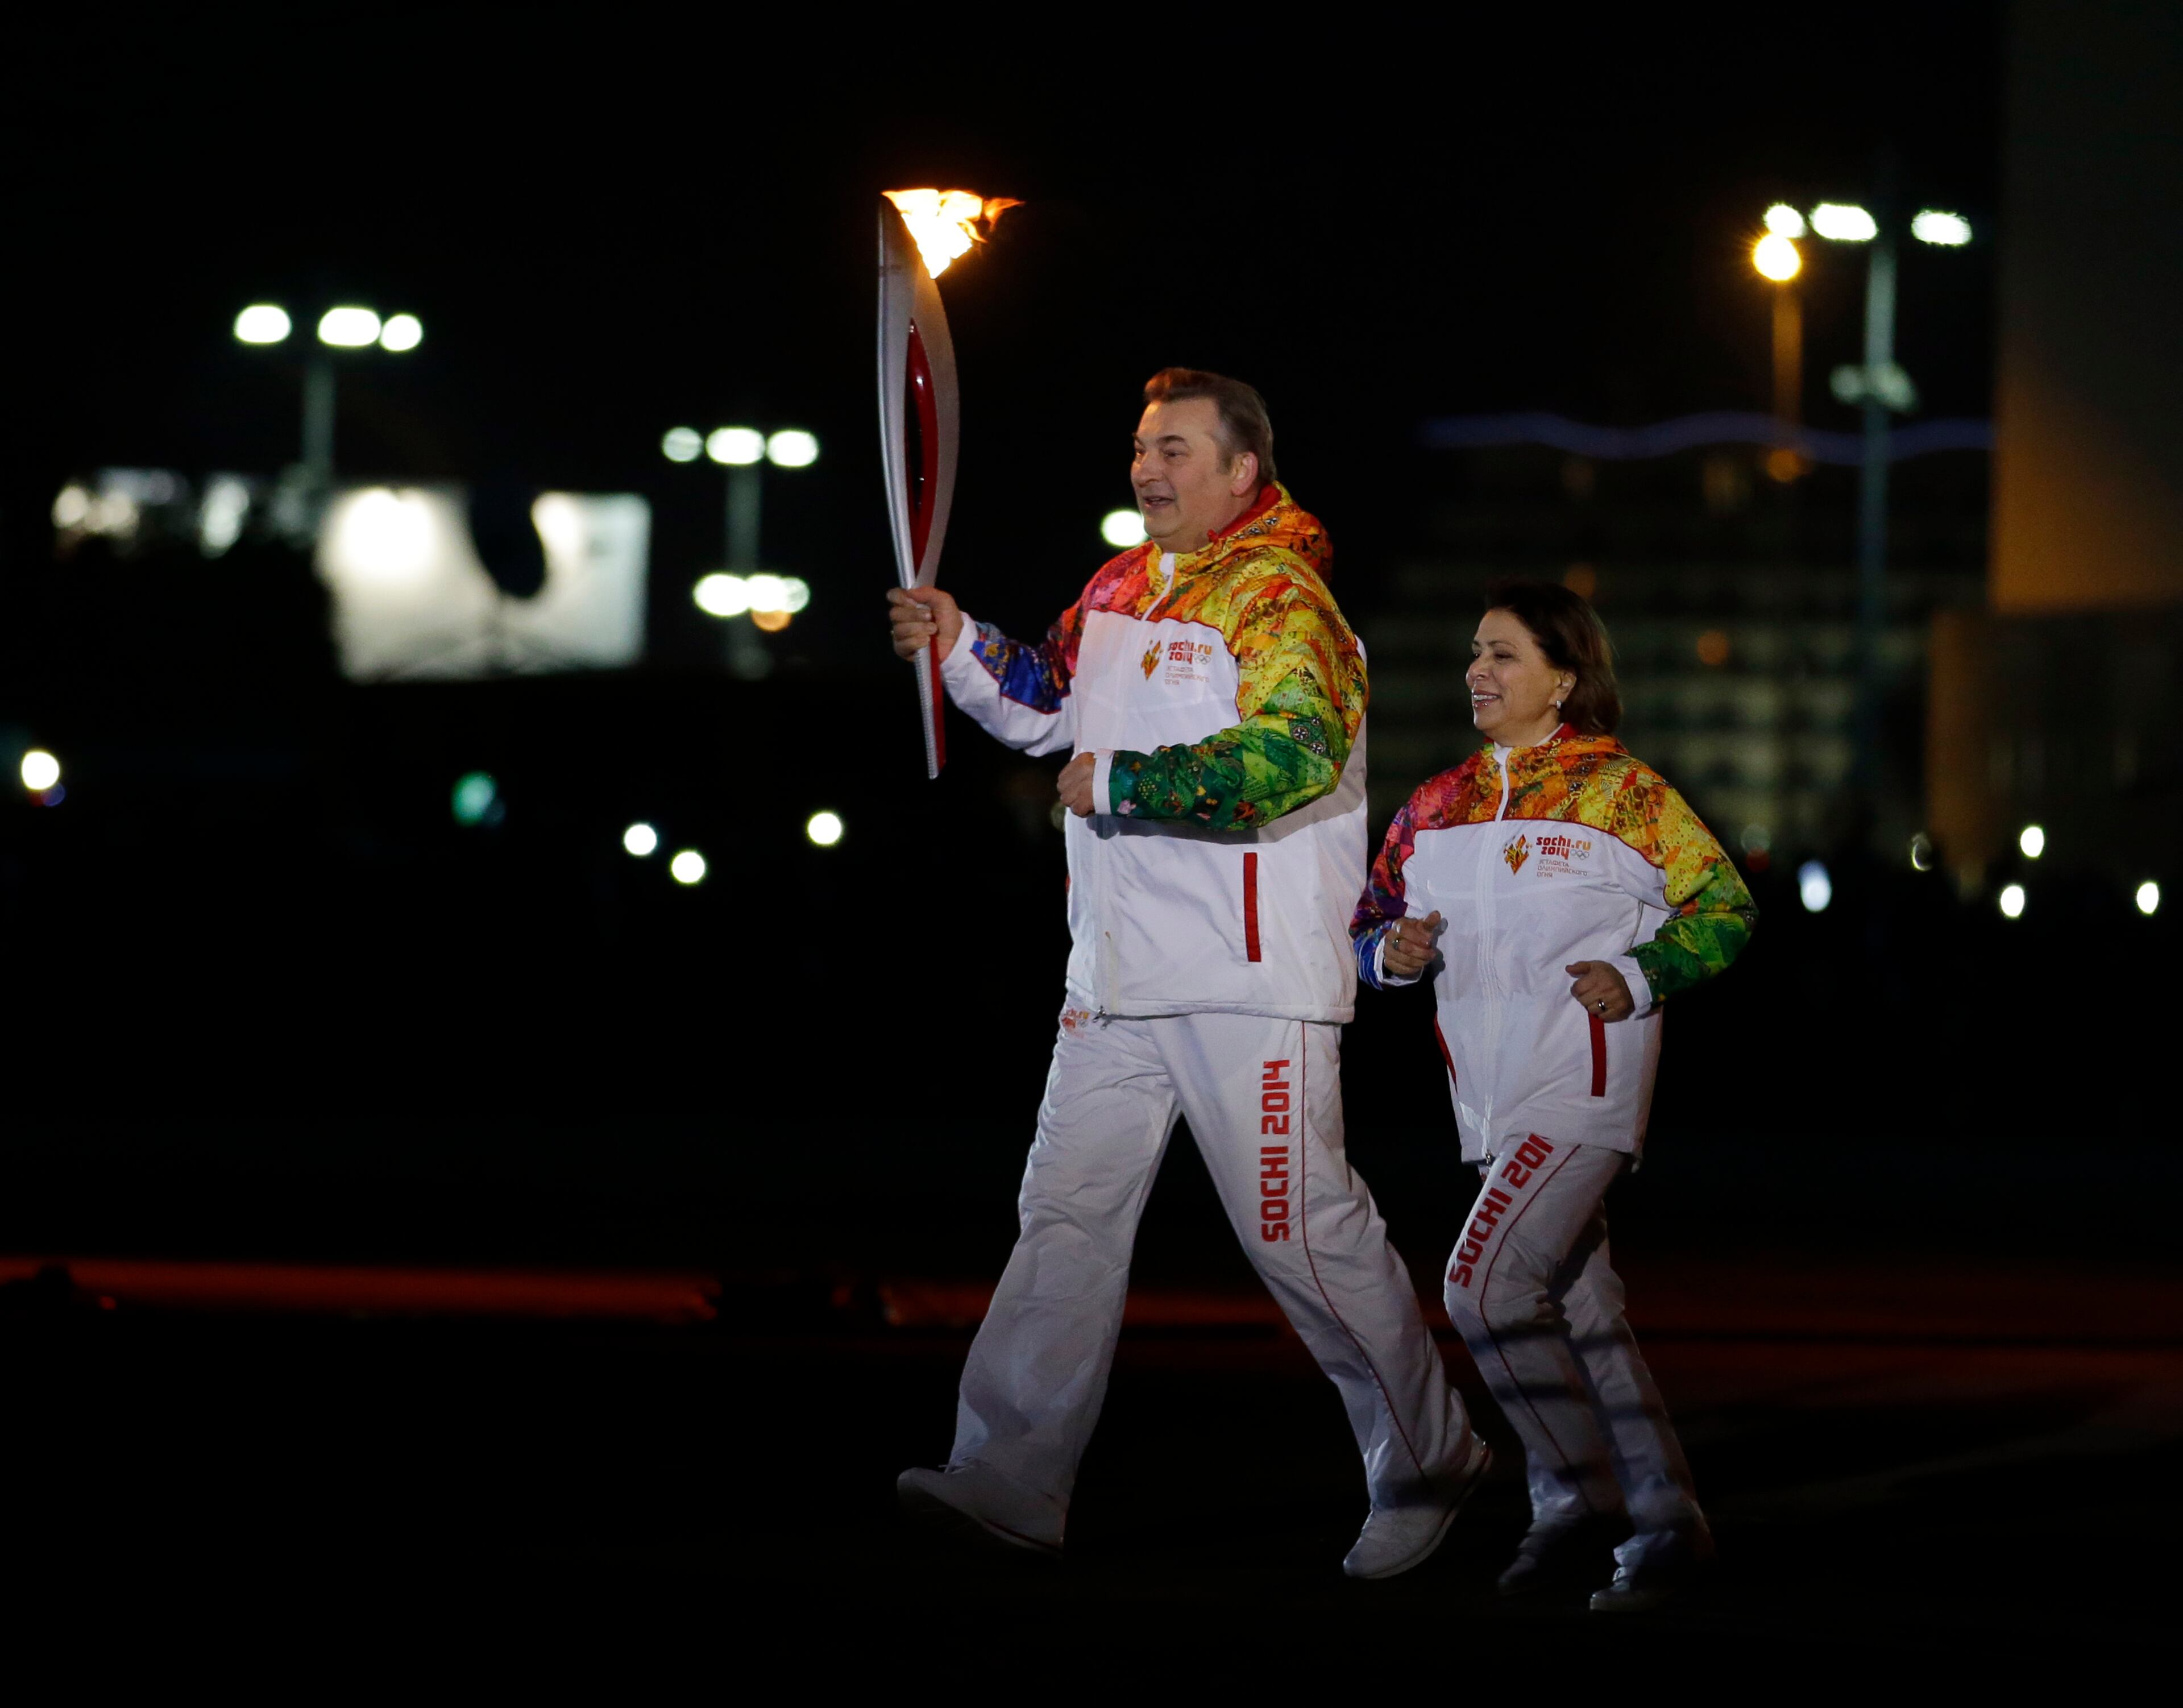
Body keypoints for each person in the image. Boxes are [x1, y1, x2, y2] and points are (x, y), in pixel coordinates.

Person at [886, 368, 1487, 1578]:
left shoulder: (1285, 600)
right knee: (1064, 1221)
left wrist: (1124, 780)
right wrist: (957, 640)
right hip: (1114, 974)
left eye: (1173, 448)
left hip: (1248, 979)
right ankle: (1008, 1473)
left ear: (1240, 470)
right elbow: (1046, 700)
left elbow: (1293, 753)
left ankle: (1429, 1456)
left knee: (1300, 1236)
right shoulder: (1118, 587)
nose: (1146, 467)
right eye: (1139, 446)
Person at [1349, 578, 1756, 1613]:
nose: (1478, 671)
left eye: (1505, 655)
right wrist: (1389, 954)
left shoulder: (1622, 795)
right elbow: (1369, 926)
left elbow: (1724, 905)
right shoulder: (1432, 807)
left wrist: (1645, 973)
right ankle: (1667, 1528)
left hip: (1583, 1090)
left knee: (1480, 1286)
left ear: (1563, 679)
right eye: (1476, 653)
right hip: (1489, 1108)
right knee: (1586, 1320)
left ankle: (1578, 1507)